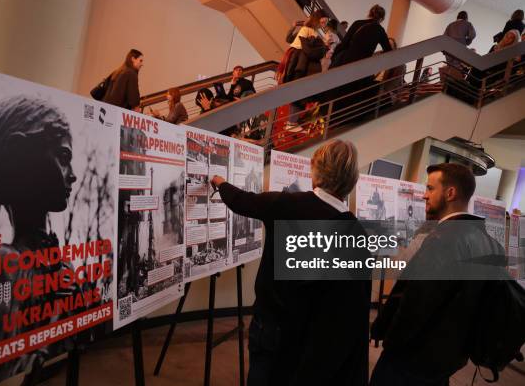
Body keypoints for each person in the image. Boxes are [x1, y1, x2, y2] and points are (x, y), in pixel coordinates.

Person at [211, 139, 371, 385]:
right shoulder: (355, 232)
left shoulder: (287, 205)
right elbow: (352, 309)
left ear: (316, 170)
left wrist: (220, 183)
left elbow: (241, 200)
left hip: (273, 327)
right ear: (351, 179)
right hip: (314, 341)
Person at [0, 96, 84, 380]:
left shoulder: (57, 263)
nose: (73, 175)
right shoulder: (5, 262)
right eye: (64, 157)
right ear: (21, 154)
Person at [370, 163, 505, 386]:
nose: (424, 195)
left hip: (411, 362)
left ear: (450, 193)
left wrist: (390, 341)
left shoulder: (443, 240)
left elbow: (415, 305)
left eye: (431, 188)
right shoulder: (491, 245)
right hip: (447, 363)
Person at [331, 4, 392, 68]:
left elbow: (344, 43)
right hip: (361, 66)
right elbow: (388, 51)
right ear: (382, 19)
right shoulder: (380, 30)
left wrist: (333, 57)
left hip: (347, 60)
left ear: (370, 14)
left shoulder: (357, 23)